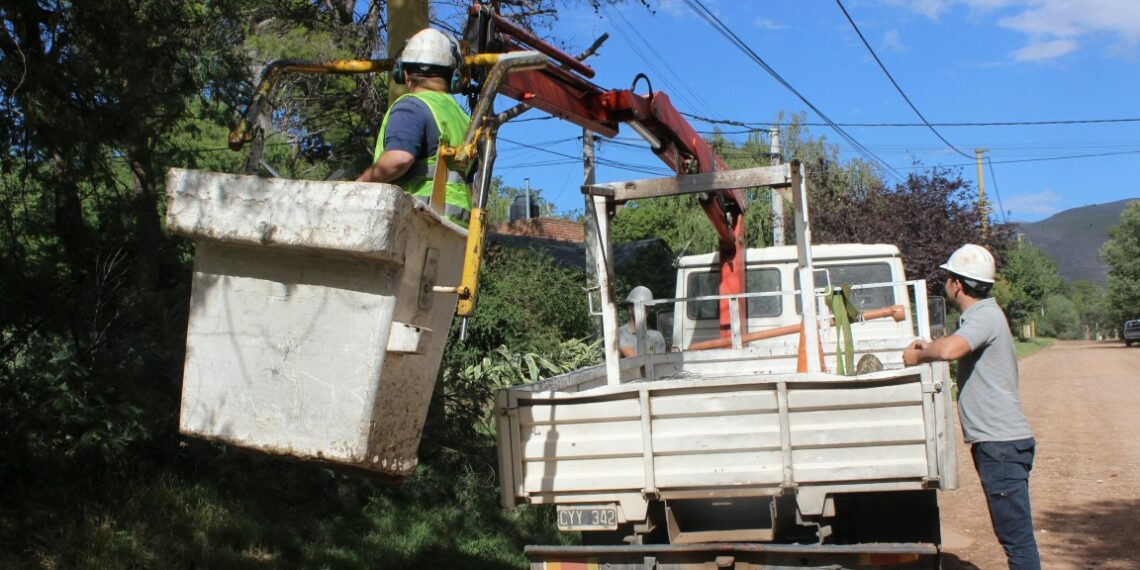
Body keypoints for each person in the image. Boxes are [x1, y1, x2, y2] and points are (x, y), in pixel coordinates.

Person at [903, 244, 1040, 569]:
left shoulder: (984, 316)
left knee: (1016, 540)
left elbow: (951, 350)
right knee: (1014, 536)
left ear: (958, 284)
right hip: (1000, 445)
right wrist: (930, 345)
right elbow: (954, 345)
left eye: (948, 277)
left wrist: (918, 356)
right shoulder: (983, 316)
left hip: (1000, 447)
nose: (946, 284)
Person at [355, 28, 473, 228]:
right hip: (455, 230)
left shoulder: (412, 106)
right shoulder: (462, 118)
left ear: (405, 73)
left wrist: (358, 187)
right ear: (453, 76)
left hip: (417, 223)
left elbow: (399, 158)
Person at [619, 286, 666, 357]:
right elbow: (633, 358)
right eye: (640, 307)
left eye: (646, 308)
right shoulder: (620, 333)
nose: (644, 311)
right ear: (630, 310)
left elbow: (659, 363)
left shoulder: (657, 336)